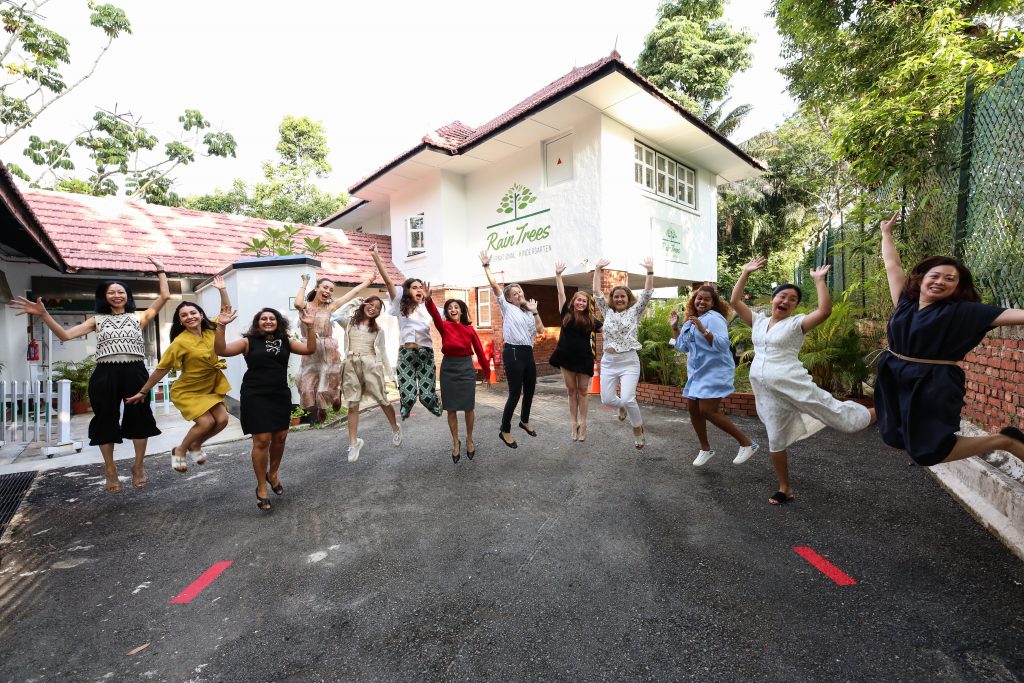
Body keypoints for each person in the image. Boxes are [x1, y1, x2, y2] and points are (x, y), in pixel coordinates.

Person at [875, 210, 1024, 466]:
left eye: (949, 279)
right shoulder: (904, 301)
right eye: (934, 276)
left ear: (957, 287)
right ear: (920, 279)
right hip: (894, 373)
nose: (940, 282)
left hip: (933, 382)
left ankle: (1004, 441)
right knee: (895, 436)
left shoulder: (963, 312)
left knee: (929, 451)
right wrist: (886, 234)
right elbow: (892, 265)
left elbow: (1017, 314)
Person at [11, 257, 169, 493]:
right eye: (111, 292)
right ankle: (110, 469)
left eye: (121, 291)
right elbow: (65, 335)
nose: (116, 295)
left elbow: (165, 296)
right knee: (105, 419)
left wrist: (161, 270)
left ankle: (138, 466)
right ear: (104, 297)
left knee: (140, 417)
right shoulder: (97, 320)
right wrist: (44, 315)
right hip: (105, 372)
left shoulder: (140, 317)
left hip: (135, 370)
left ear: (128, 295)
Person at [730, 257, 875, 505]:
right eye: (781, 296)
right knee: (775, 438)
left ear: (796, 306)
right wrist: (745, 272)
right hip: (767, 393)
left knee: (844, 420)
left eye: (792, 299)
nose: (785, 301)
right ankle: (785, 488)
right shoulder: (759, 322)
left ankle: (883, 412)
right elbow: (734, 301)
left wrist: (819, 281)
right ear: (773, 299)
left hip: (794, 385)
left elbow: (825, 311)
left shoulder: (797, 324)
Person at [213, 282, 317, 511]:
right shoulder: (248, 342)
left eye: (272, 318)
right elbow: (221, 351)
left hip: (279, 393)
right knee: (262, 441)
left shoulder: (287, 341)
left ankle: (274, 473)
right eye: (263, 319)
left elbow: (310, 349)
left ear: (278, 322)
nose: (268, 321)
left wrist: (310, 327)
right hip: (255, 394)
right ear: (257, 323)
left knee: (280, 438)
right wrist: (220, 325)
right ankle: (261, 485)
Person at [127, 299, 231, 473]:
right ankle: (180, 450)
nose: (189, 317)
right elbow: (161, 369)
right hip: (188, 390)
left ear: (201, 315)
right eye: (184, 315)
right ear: (180, 321)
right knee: (206, 423)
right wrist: (143, 391)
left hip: (209, 386)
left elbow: (226, 311)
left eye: (193, 313)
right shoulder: (180, 342)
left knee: (222, 420)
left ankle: (196, 444)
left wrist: (222, 289)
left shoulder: (212, 330)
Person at [670, 285, 758, 466]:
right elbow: (683, 347)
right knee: (693, 409)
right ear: (694, 300)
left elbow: (723, 344)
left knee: (707, 410)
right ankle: (705, 448)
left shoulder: (715, 318)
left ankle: (747, 443)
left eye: (706, 299)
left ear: (713, 302)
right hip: (697, 372)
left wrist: (703, 330)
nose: (701, 301)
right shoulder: (691, 321)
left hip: (715, 370)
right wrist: (675, 328)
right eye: (698, 298)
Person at [369, 244, 442, 421]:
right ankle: (405, 407)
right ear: (407, 290)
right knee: (409, 397)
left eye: (420, 287)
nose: (418, 289)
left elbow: (451, 315)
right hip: (406, 354)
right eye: (414, 287)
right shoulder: (400, 304)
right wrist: (377, 257)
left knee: (426, 397)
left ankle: (436, 405)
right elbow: (387, 281)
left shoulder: (429, 307)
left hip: (425, 354)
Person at [479, 251, 544, 449]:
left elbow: (541, 330)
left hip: (527, 353)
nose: (518, 295)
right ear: (508, 298)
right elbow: (495, 286)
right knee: (515, 393)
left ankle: (524, 420)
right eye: (514, 294)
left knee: (530, 390)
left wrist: (535, 312)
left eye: (520, 292)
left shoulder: (528, 313)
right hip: (513, 351)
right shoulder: (507, 308)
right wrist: (487, 266)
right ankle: (504, 429)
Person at [294, 271, 376, 423]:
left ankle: (330, 402)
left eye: (331, 290)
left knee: (328, 381)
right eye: (325, 287)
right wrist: (305, 283)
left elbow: (353, 292)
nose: (328, 291)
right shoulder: (305, 306)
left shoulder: (330, 307)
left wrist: (369, 281)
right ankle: (322, 404)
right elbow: (298, 303)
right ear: (317, 288)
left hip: (327, 350)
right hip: (309, 350)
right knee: (305, 385)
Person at [332, 294, 403, 463]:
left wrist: (391, 375)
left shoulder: (378, 330)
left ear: (379, 312)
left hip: (371, 365)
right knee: (353, 403)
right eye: (370, 304)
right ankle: (353, 443)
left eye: (377, 307)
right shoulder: (349, 323)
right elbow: (335, 315)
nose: (373, 308)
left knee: (382, 400)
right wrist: (352, 302)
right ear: (364, 305)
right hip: (350, 365)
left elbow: (384, 353)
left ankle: (395, 428)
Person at [593, 257, 655, 448]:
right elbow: (596, 293)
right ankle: (620, 407)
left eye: (623, 296)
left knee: (629, 398)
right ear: (612, 299)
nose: (619, 299)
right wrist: (597, 269)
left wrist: (649, 271)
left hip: (629, 361)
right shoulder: (607, 312)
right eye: (616, 296)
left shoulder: (635, 312)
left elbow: (646, 294)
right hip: (609, 361)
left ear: (628, 299)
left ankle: (637, 429)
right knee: (607, 399)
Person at [424, 283, 489, 462]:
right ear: (447, 312)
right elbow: (434, 315)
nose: (453, 309)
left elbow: (480, 352)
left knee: (469, 407)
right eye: (449, 308)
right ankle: (455, 442)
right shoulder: (443, 326)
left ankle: (469, 439)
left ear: (462, 312)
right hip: (448, 369)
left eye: (456, 307)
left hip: (466, 369)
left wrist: (487, 371)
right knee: (450, 409)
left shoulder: (469, 330)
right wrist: (429, 300)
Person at [549, 260, 602, 442]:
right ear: (574, 301)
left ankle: (584, 423)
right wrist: (558, 275)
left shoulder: (591, 319)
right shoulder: (566, 313)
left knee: (583, 392)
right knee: (571, 392)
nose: (581, 302)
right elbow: (560, 292)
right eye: (579, 300)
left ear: (587, 304)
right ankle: (573, 423)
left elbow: (609, 328)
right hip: (566, 358)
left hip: (584, 358)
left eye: (584, 301)